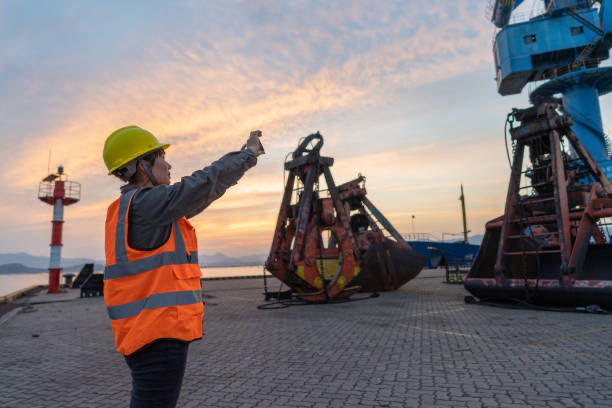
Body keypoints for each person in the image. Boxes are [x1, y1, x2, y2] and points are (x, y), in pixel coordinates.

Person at [102, 126, 264, 407]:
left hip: (145, 335)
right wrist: (248, 154)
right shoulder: (146, 205)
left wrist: (240, 162)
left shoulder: (133, 208)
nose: (169, 164)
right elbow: (202, 183)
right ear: (140, 166)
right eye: (161, 157)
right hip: (156, 337)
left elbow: (204, 192)